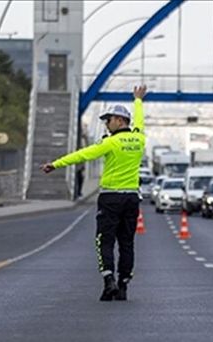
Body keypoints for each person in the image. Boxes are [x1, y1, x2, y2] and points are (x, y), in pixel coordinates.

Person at [42, 85, 147, 301]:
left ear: (119, 120)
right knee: (127, 243)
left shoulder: (110, 142)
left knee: (104, 241)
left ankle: (109, 281)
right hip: (131, 198)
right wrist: (138, 100)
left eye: (108, 120)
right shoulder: (139, 139)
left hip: (110, 198)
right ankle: (124, 284)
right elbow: (140, 121)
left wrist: (56, 164)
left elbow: (83, 155)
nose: (106, 125)